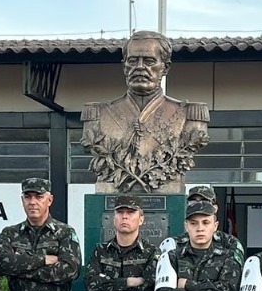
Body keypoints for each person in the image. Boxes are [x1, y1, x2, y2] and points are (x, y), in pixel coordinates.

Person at [81, 29, 210, 195]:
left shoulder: (189, 115)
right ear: (124, 66)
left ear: (165, 68)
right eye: (133, 61)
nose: (140, 67)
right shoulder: (98, 114)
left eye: (149, 61)